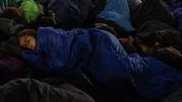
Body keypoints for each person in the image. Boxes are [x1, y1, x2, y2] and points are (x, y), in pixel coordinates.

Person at [18, 27, 182, 100]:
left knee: (123, 73)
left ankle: (165, 75)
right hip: (96, 48)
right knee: (122, 74)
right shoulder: (43, 51)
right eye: (26, 46)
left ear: (33, 34)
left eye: (28, 40)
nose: (29, 45)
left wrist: (28, 54)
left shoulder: (48, 35)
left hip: (98, 44)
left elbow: (58, 62)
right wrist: (26, 53)